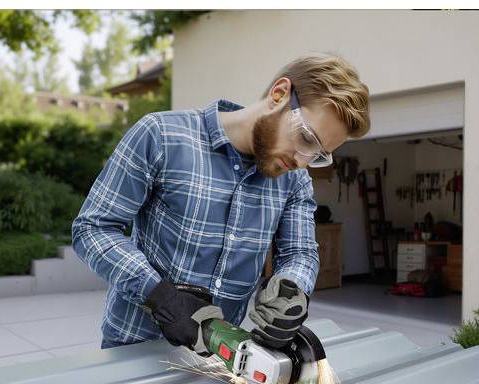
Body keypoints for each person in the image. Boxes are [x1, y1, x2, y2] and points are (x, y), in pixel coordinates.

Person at [72, 52, 371, 353]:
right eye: (306, 138)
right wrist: (159, 296)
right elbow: (93, 228)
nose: (302, 162)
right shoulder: (161, 135)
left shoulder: (295, 180)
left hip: (220, 357)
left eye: (317, 155)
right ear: (280, 94)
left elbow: (300, 254)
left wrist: (290, 290)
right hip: (134, 347)